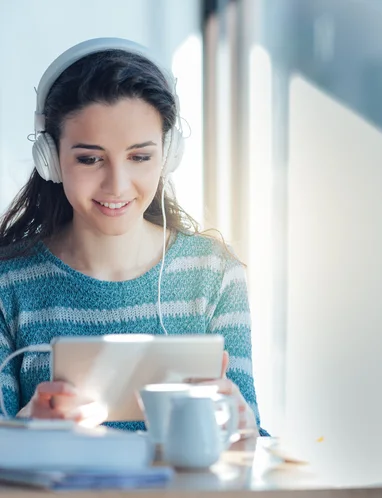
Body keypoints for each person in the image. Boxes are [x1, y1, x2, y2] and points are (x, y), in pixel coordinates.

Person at [0, 38, 267, 436]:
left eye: (140, 157)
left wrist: (242, 430)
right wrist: (23, 430)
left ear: (168, 154)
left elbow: (250, 449)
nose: (117, 185)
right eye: (90, 159)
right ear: (51, 159)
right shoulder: (9, 284)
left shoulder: (213, 274)